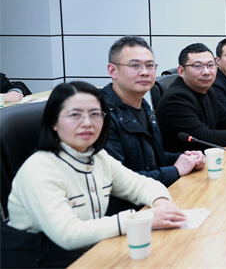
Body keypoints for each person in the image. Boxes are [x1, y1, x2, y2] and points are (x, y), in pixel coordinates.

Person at [4, 82, 186, 265]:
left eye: (95, 114)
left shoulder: (97, 157)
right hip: (40, 260)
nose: (87, 123)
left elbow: (140, 184)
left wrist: (161, 203)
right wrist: (141, 218)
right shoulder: (39, 169)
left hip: (90, 252)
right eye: (75, 115)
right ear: (53, 122)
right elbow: (68, 235)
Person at [103, 36, 205, 196]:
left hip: (152, 196)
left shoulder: (143, 106)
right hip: (128, 207)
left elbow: (153, 159)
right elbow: (117, 182)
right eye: (135, 66)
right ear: (113, 71)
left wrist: (185, 158)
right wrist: (175, 170)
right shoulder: (100, 116)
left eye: (150, 66)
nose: (145, 72)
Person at [157, 43, 226, 152]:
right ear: (182, 71)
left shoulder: (208, 90)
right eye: (198, 66)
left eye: (210, 65)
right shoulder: (177, 98)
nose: (206, 72)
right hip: (184, 161)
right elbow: (204, 138)